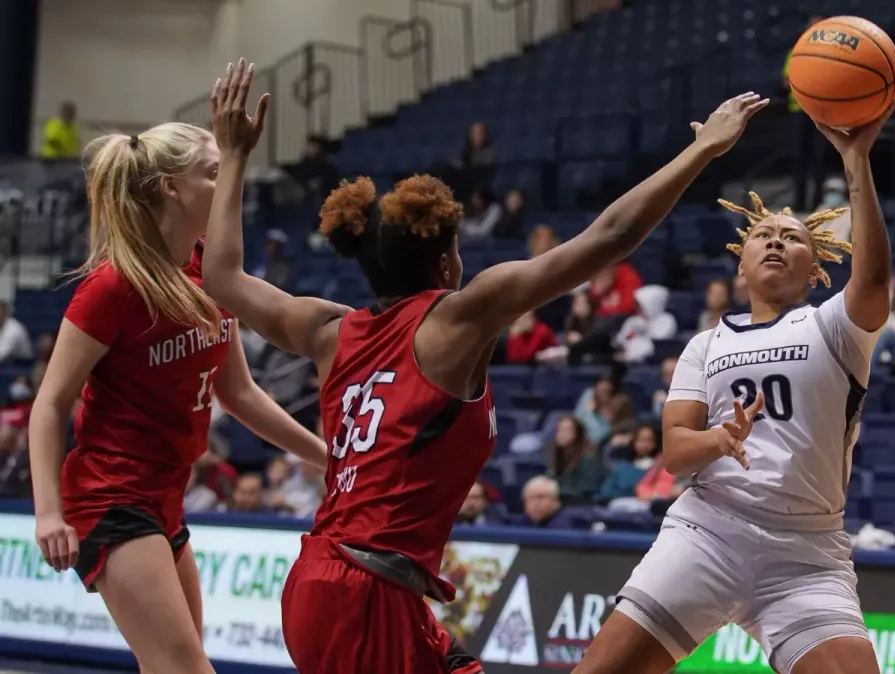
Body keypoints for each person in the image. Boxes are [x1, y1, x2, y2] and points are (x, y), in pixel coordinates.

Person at [200, 59, 769, 674]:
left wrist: (234, 154)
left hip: (335, 582)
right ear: (446, 266)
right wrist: (703, 151)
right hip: (368, 593)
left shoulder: (328, 332)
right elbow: (611, 234)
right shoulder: (456, 322)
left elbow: (222, 277)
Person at [574, 101, 895, 674]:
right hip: (709, 530)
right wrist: (720, 439)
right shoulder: (706, 344)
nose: (776, 241)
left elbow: (872, 279)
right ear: (740, 265)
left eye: (793, 238)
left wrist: (855, 159)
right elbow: (674, 452)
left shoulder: (834, 328)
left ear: (817, 269)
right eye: (764, 235)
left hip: (806, 552)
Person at [27, 120, 326, 674]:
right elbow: (49, 404)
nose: (227, 182)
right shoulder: (113, 287)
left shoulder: (209, 272)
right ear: (171, 187)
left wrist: (324, 458)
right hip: (111, 495)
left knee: (171, 665)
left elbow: (239, 393)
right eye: (215, 172)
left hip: (166, 495)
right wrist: (48, 514)